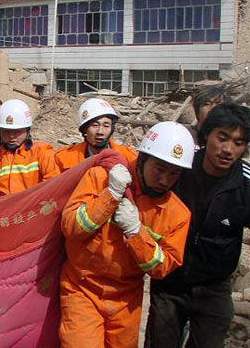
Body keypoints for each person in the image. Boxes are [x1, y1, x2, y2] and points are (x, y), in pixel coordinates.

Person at [145, 103, 250, 348]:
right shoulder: (180, 168)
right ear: (207, 135)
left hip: (214, 289)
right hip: (169, 283)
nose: (227, 149)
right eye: (222, 138)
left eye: (238, 142)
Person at [60, 121, 195, 348]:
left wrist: (135, 233)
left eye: (174, 173)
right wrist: (110, 195)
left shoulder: (177, 214)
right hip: (82, 288)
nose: (165, 180)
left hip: (126, 300)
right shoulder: (101, 178)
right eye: (159, 169)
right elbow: (71, 227)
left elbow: (162, 267)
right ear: (142, 159)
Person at [0, 98, 60, 196]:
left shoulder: (42, 153)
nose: (11, 136)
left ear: (27, 131)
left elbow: (53, 186)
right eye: (6, 131)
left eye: (17, 131)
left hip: (34, 204)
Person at [55, 98, 135, 172]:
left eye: (106, 126)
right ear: (85, 129)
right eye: (95, 125)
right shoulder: (64, 158)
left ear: (111, 129)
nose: (100, 131)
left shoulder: (129, 158)